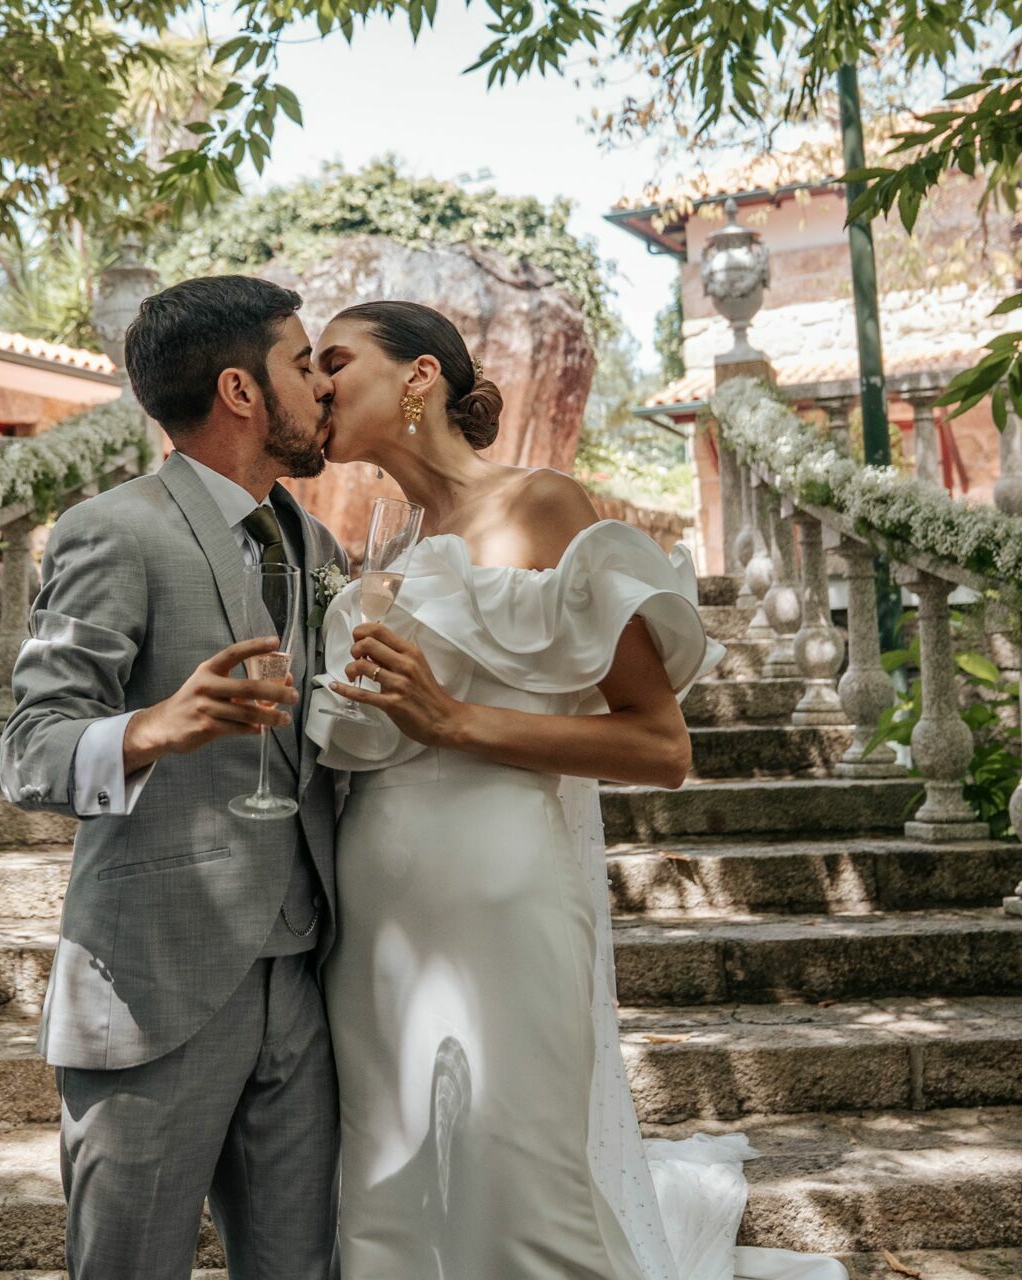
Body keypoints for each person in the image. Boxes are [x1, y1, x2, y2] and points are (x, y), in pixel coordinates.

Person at [307, 300, 849, 1280]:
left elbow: (659, 743)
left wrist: (454, 720)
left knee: (524, 1182)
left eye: (334, 359)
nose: (315, 381)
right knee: (391, 1185)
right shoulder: (387, 552)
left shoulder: (543, 505)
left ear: (420, 375)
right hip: (377, 919)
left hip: (506, 898)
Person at [0, 275, 349, 1280]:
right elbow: (29, 749)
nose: (322, 384)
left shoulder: (317, 543)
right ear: (241, 390)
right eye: (301, 364)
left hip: (304, 975)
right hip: (153, 981)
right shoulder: (112, 529)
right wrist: (153, 727)